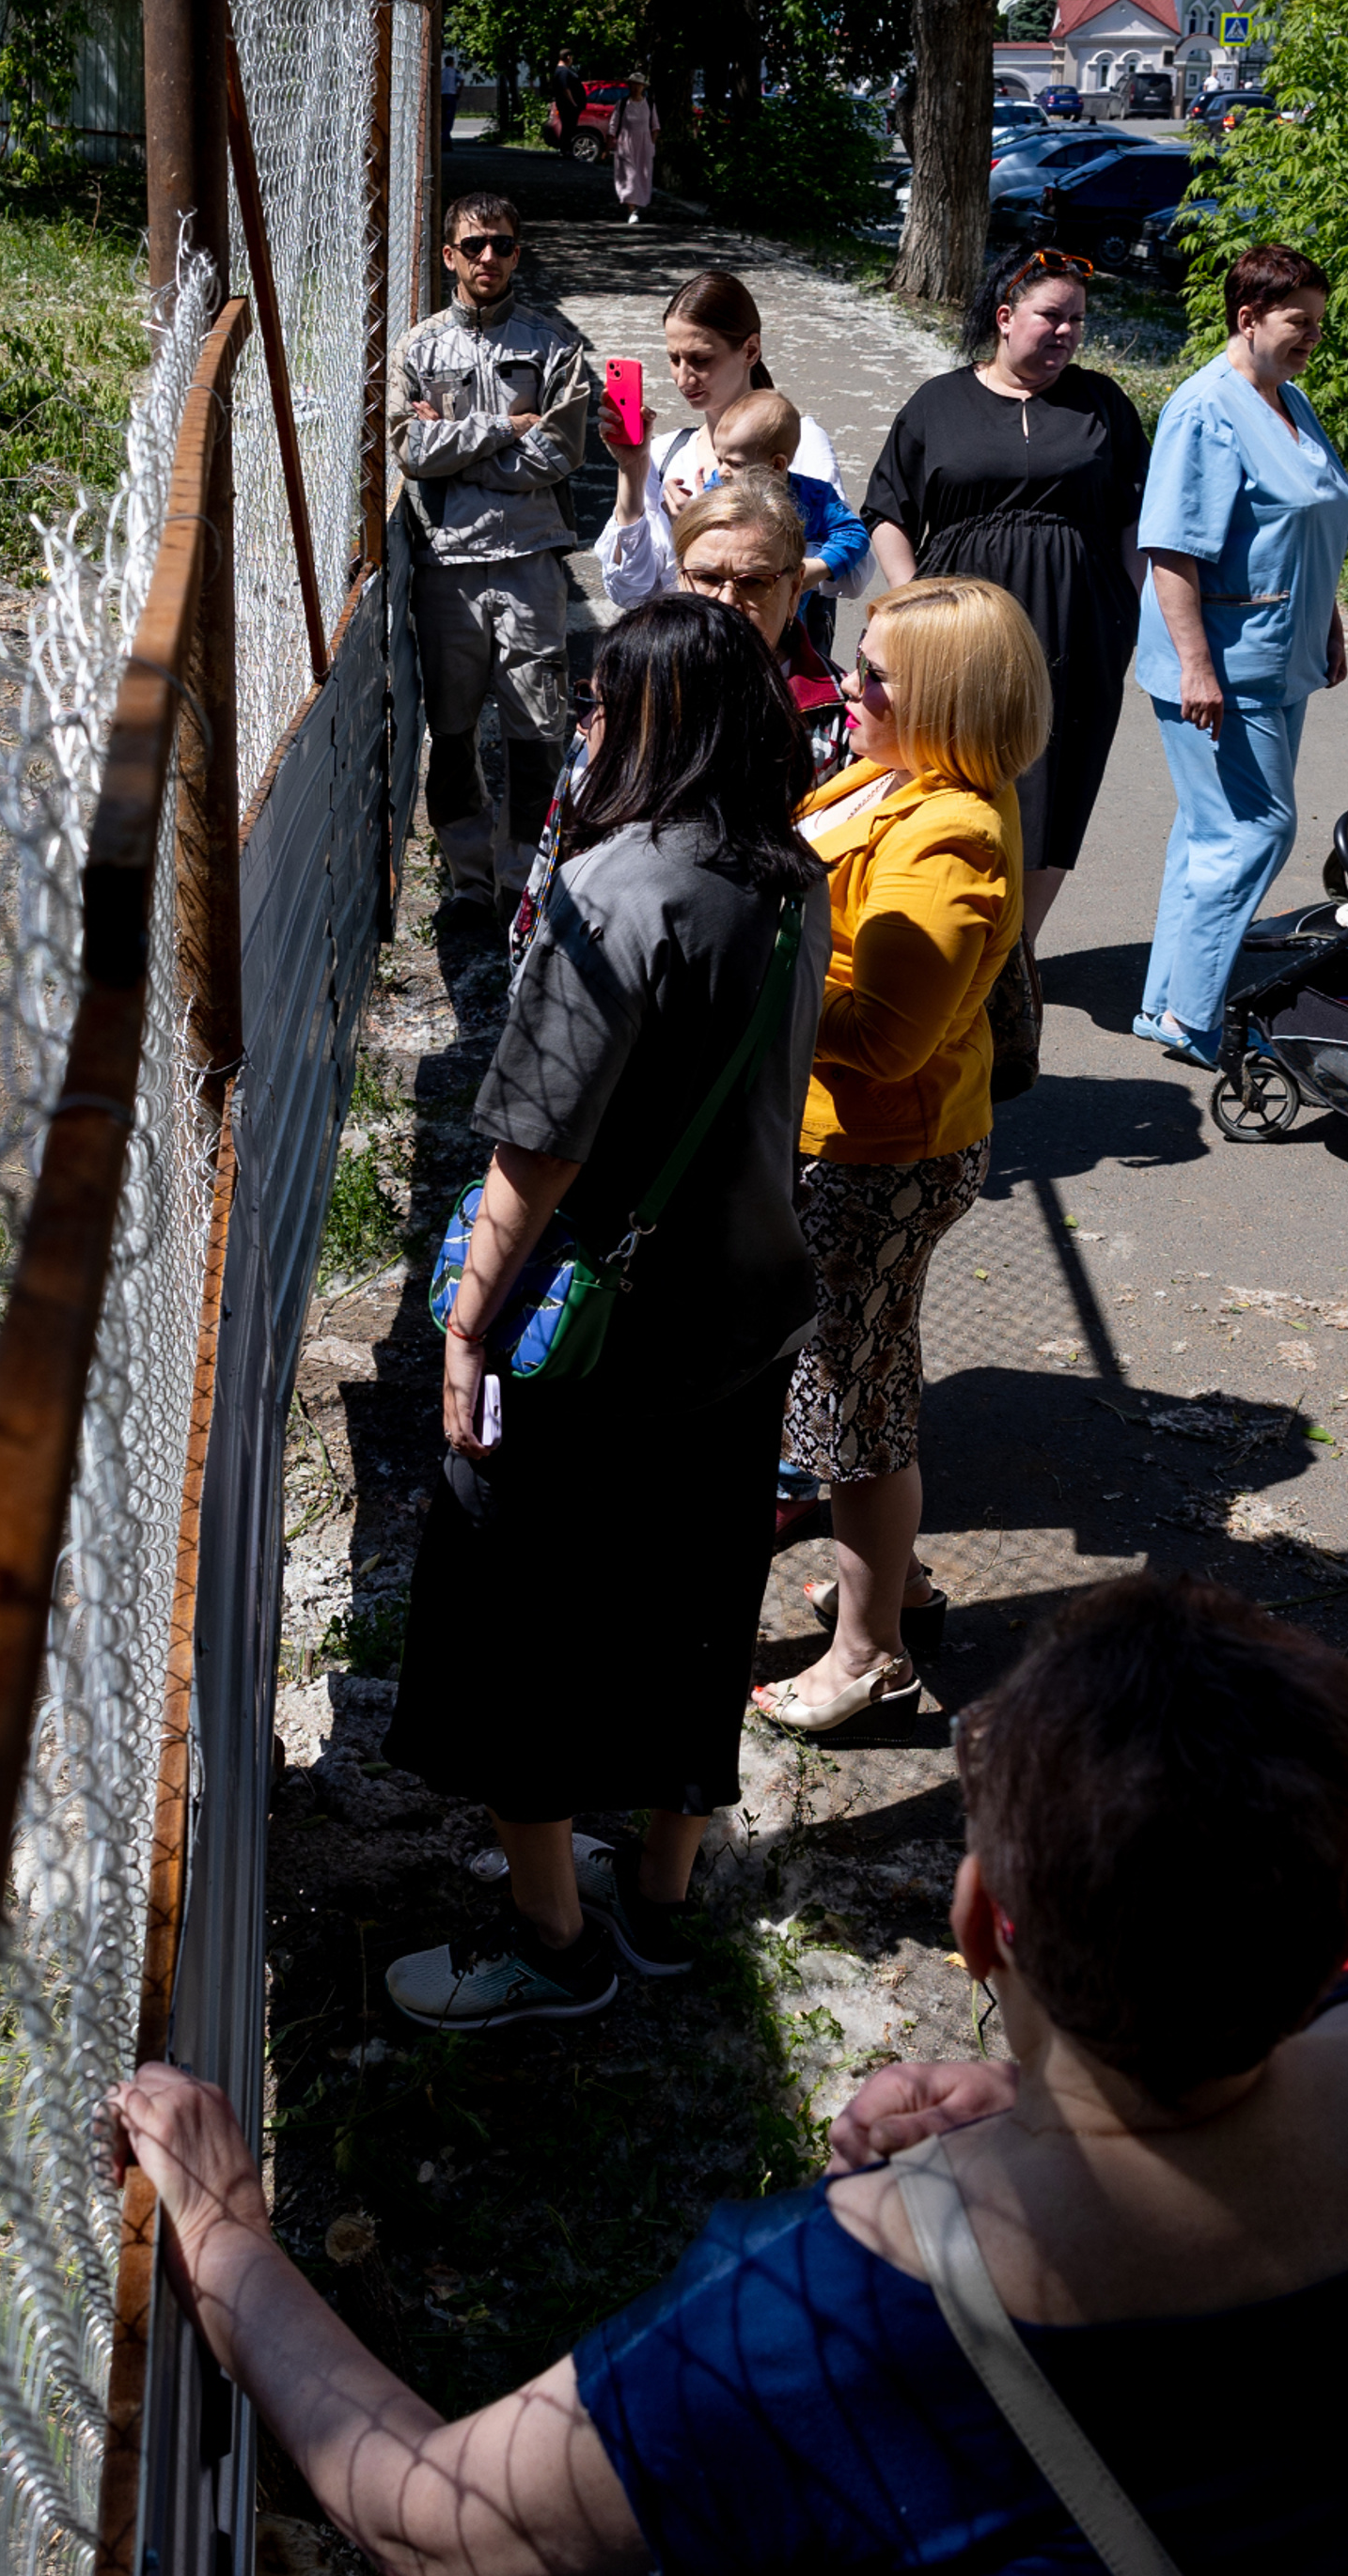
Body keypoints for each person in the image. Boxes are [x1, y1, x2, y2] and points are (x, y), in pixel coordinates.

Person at [111, 1573, 1348, 2572]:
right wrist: (1035, 2106)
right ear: (1337, 1913)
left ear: (976, 1922)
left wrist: (230, 2229)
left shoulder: (814, 2315)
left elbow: (435, 2521)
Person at [379, 596, 824, 2027]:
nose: (579, 728)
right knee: (701, 1598)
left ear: (646, 723)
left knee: (510, 1606)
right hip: (749, 1307)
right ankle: (664, 1897)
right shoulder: (795, 876)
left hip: (602, 1334)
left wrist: (462, 1325)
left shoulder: (614, 891)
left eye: (598, 704)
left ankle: (550, 1939)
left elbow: (537, 1149)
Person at [753, 577, 1043, 1733]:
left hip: (878, 1154)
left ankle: (869, 1657)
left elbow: (884, 1035)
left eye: (878, 677)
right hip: (858, 1146)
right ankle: (897, 1579)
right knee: (861, 1376)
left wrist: (748, 969)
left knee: (855, 1407)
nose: (850, 685)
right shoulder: (896, 772)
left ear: (951, 703)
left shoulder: (953, 834)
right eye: (860, 663)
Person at [863, 248, 1150, 948]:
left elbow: (1137, 515)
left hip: (1077, 626)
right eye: (1051, 315)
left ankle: (1016, 950)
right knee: (941, 764)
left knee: (1057, 781)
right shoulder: (938, 402)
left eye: (1077, 320)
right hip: (955, 630)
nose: (1066, 332)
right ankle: (932, 925)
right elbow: (887, 512)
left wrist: (1125, 605)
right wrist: (913, 604)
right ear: (1004, 318)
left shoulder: (1102, 403)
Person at [1133, 241, 1348, 1069]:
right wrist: (1196, 666)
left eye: (1319, 324)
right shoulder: (1205, 409)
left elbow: (1307, 520)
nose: (1312, 338)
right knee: (1256, 830)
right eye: (1300, 323)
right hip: (1222, 665)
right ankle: (1195, 1016)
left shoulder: (1286, 397)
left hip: (1279, 652)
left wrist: (1327, 617)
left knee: (1211, 833)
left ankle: (1170, 1004)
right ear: (1248, 317)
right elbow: (1171, 551)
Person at [509, 475, 846, 971]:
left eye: (754, 582)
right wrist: (530, 963)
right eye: (707, 579)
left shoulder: (840, 719)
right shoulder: (624, 695)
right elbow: (566, 834)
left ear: (796, 589)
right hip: (611, 970)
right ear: (679, 577)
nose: (727, 603)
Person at [387, 191, 594, 935]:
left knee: (537, 731)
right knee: (451, 730)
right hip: (447, 566)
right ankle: (469, 881)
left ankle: (523, 880)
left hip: (532, 564)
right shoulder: (417, 348)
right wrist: (506, 427)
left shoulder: (556, 347)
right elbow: (411, 451)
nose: (488, 258)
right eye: (473, 245)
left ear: (517, 252)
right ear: (449, 255)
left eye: (502, 245)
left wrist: (462, 450)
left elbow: (560, 452)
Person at [597, 269, 864, 648]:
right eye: (674, 359)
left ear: (750, 351)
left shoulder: (799, 442)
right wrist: (631, 469)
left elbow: (854, 571)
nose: (682, 377)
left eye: (700, 359)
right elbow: (630, 591)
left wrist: (789, 573)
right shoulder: (665, 452)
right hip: (687, 658)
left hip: (772, 666)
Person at [708, 390, 870, 605]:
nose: (722, 472)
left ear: (776, 465)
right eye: (719, 460)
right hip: (729, 599)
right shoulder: (720, 486)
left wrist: (820, 566)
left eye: (736, 464)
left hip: (790, 613)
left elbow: (854, 534)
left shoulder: (815, 497)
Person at [613, 69, 659, 223]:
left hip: (644, 145)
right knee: (630, 175)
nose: (635, 88)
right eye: (633, 84)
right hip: (626, 144)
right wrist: (608, 146)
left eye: (639, 85)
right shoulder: (623, 103)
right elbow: (613, 125)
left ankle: (637, 205)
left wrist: (652, 144)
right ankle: (631, 210)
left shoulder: (650, 104)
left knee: (643, 176)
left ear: (643, 87)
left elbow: (655, 127)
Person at [550, 48, 588, 158]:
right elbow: (565, 89)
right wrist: (573, 103)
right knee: (568, 127)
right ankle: (565, 150)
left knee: (569, 127)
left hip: (568, 105)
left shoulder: (562, 71)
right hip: (568, 106)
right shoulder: (563, 71)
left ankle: (566, 149)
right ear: (568, 57)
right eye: (571, 58)